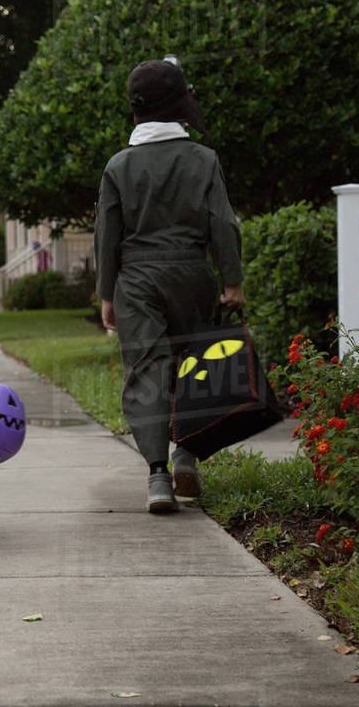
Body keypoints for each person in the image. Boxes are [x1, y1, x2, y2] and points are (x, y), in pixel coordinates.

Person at [94, 57, 244, 514]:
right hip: (192, 274)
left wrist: (106, 294)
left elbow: (107, 235)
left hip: (137, 280)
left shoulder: (119, 166)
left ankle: (158, 475)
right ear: (180, 102)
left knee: (147, 370)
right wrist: (232, 280)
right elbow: (222, 222)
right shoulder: (203, 159)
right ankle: (188, 455)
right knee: (196, 363)